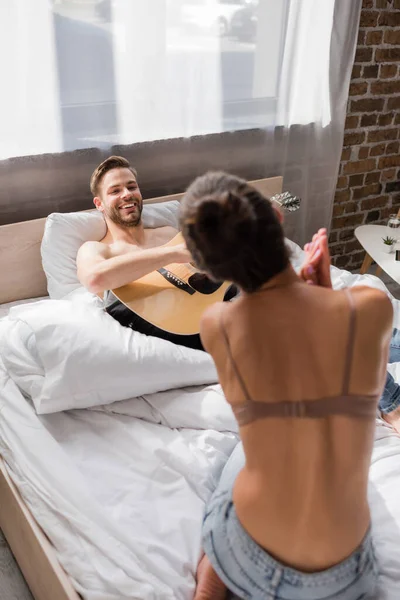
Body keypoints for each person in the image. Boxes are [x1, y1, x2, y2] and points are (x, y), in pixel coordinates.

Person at [179, 171, 392, 600]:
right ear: (278, 221)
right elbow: (336, 353)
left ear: (210, 270)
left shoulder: (218, 324)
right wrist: (327, 290)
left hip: (250, 558)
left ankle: (212, 574)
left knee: (240, 455)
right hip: (343, 574)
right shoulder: (372, 307)